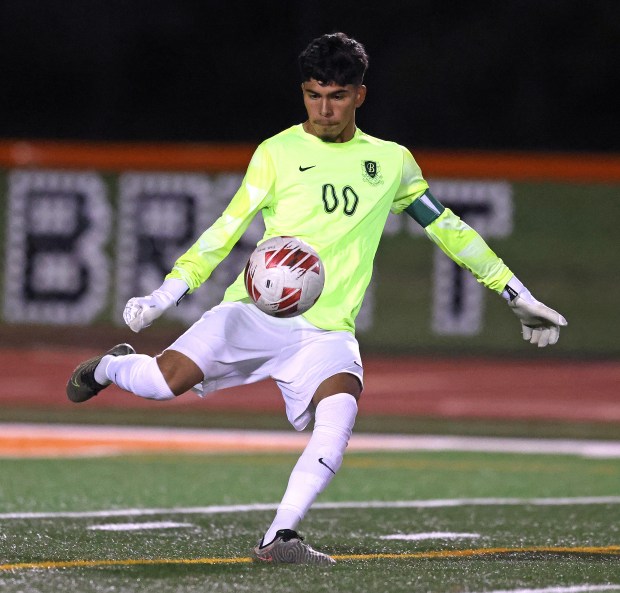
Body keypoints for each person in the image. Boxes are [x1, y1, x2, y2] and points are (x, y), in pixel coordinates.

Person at [66, 32, 567, 565]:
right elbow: (225, 229)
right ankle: (110, 368)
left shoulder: (391, 162)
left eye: (337, 96)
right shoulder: (276, 152)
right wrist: (168, 292)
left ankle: (279, 537)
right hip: (251, 313)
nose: (324, 109)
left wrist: (514, 290)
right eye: (313, 94)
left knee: (339, 414)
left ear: (360, 96)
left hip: (327, 331)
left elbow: (449, 229)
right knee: (160, 385)